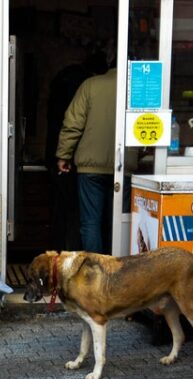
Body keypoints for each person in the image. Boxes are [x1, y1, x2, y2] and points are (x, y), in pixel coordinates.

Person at [45, 52, 108, 251]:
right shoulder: (126, 86)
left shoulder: (85, 85)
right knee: (114, 219)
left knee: (85, 219)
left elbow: (72, 124)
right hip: (120, 165)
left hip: (85, 164)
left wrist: (63, 155)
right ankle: (113, 270)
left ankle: (85, 266)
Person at [56, 64, 119, 254]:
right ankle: (117, 271)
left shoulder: (90, 85)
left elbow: (73, 124)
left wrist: (63, 155)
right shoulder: (137, 86)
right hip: (124, 167)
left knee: (91, 222)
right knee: (119, 221)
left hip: (91, 168)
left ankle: (94, 271)